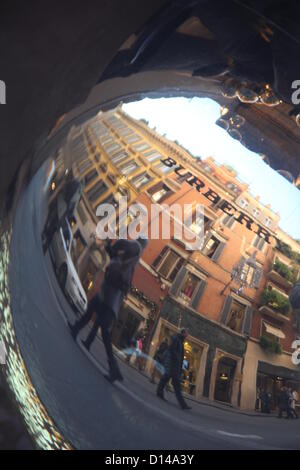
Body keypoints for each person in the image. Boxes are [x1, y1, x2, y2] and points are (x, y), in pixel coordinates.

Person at [68, 236, 148, 382]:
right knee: (93, 312)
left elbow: (123, 245)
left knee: (103, 330)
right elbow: (116, 258)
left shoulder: (135, 248)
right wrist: (110, 248)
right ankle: (79, 333)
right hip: (109, 297)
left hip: (110, 298)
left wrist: (114, 245)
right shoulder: (131, 259)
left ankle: (114, 369)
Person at [42, 173, 84, 253]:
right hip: (63, 212)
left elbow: (65, 189)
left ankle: (45, 233)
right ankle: (46, 244)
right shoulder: (79, 194)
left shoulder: (75, 184)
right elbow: (73, 207)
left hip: (60, 204)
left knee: (51, 218)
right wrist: (69, 215)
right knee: (53, 227)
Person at [156, 328, 191, 410]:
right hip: (173, 364)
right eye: (186, 333)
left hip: (175, 365)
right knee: (171, 381)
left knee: (170, 381)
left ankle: (159, 392)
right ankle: (183, 405)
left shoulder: (180, 341)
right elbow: (172, 349)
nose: (187, 335)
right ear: (183, 333)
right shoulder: (176, 338)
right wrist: (176, 360)